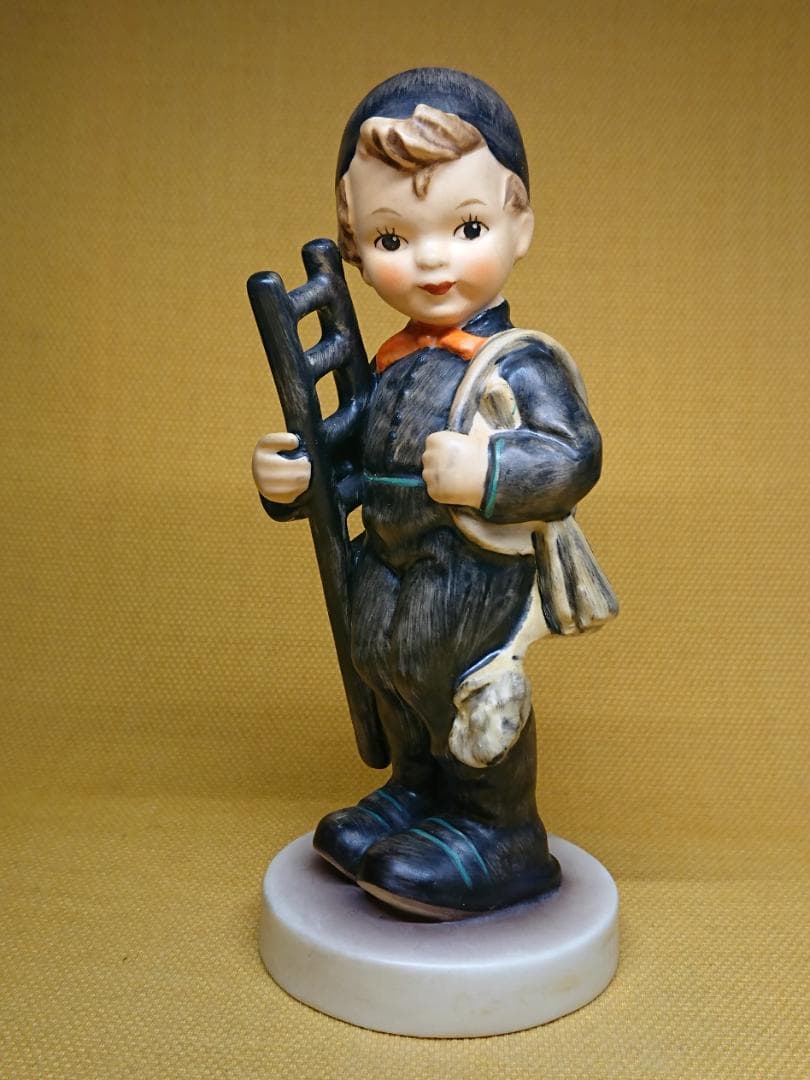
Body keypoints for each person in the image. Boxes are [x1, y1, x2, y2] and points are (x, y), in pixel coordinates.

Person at [252, 68, 612, 919]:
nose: (432, 258)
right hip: (388, 562)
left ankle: (498, 828)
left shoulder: (519, 363)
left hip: (473, 574)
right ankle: (415, 791)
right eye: (391, 238)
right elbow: (348, 457)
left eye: (469, 227)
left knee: (463, 682)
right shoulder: (392, 363)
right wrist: (297, 481)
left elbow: (574, 455)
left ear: (521, 226)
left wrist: (489, 474)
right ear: (353, 247)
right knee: (390, 663)